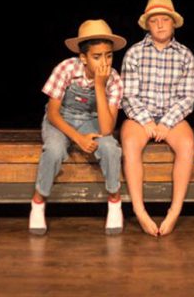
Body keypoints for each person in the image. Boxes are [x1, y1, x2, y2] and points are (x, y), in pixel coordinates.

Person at [29, 20, 126, 235]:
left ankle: (114, 201)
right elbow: (53, 113)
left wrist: (100, 86)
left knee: (110, 148)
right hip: (62, 119)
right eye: (97, 56)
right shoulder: (66, 68)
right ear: (83, 58)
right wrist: (78, 138)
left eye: (109, 55)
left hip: (93, 119)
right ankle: (38, 201)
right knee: (54, 150)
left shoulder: (114, 79)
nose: (104, 62)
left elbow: (107, 127)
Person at [121, 0, 194, 237]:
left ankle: (174, 210)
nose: (161, 25)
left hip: (171, 116)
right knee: (131, 143)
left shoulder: (185, 55)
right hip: (140, 116)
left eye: (165, 20)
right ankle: (140, 210)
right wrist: (147, 122)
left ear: (173, 23)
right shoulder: (134, 53)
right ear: (148, 25)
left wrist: (165, 123)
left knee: (186, 144)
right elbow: (128, 96)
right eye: (155, 21)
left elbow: (188, 96)